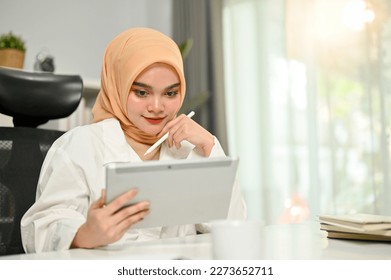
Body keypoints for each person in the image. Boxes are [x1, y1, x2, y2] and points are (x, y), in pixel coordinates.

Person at [21, 27, 247, 253]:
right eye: (141, 92)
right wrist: (83, 235)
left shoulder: (191, 148)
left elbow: (233, 229)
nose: (157, 107)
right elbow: (42, 228)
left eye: (170, 93)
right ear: (117, 86)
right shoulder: (80, 146)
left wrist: (210, 149)